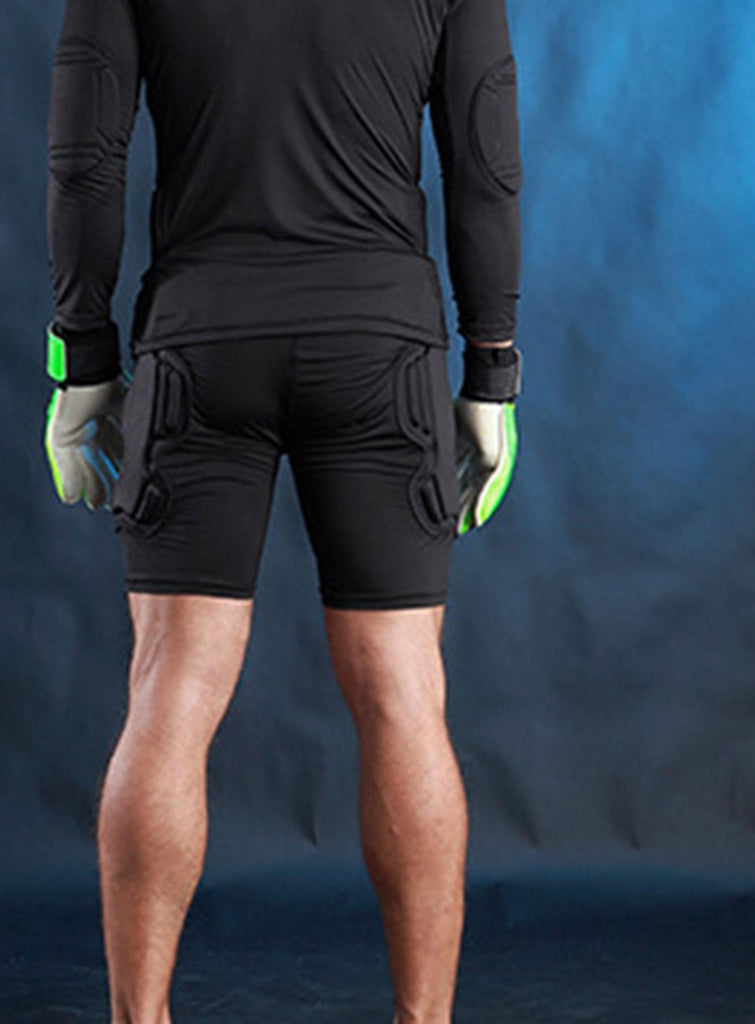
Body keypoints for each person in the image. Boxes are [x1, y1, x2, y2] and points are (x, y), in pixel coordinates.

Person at [41, 0, 522, 1020]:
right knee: (402, 692)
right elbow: (483, 158)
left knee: (170, 691)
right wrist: (493, 371)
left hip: (202, 340)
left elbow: (86, 158)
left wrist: (79, 361)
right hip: (377, 346)